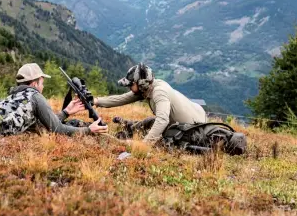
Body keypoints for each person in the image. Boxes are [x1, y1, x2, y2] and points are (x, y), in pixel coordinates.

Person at [93, 63, 246, 154]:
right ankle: (129, 125)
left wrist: (144, 145)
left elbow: (162, 120)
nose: (129, 87)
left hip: (192, 127)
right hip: (193, 115)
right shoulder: (148, 87)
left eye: (131, 84)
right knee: (149, 122)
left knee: (159, 129)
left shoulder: (158, 92)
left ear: (141, 84)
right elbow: (123, 98)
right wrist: (97, 101)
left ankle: (130, 127)